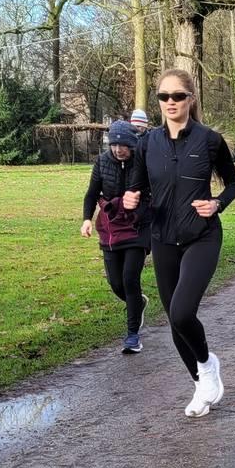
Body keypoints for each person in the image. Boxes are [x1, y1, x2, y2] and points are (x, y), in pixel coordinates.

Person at [126, 68, 235, 417]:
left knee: (181, 311)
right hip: (163, 238)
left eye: (178, 96)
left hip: (201, 236)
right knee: (175, 322)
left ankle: (207, 365)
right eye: (164, 96)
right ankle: (200, 384)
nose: (170, 102)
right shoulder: (147, 143)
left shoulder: (209, 140)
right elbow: (137, 191)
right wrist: (132, 200)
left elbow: (234, 184)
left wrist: (217, 203)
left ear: (191, 99)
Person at [82, 120, 151, 353]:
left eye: (123, 145)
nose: (118, 149)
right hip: (111, 228)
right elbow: (92, 193)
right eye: (114, 145)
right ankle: (138, 302)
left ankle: (132, 336)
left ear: (132, 145)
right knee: (116, 283)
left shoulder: (142, 162)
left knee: (130, 279)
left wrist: (139, 211)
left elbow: (152, 194)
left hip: (137, 227)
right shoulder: (102, 161)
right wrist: (86, 219)